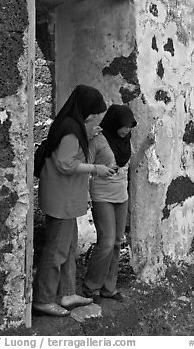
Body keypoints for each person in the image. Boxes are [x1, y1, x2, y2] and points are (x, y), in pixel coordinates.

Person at [33, 84, 115, 317]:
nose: (96, 119)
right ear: (86, 111)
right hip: (61, 197)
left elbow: (73, 153)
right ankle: (43, 298)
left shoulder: (75, 126)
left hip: (66, 196)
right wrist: (95, 168)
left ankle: (66, 293)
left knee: (68, 247)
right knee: (56, 250)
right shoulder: (71, 130)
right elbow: (65, 163)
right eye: (95, 115)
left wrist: (89, 134)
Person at [82, 104, 137, 303]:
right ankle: (91, 286)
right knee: (106, 242)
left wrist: (147, 145)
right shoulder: (98, 140)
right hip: (102, 195)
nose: (127, 130)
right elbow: (85, 166)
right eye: (124, 126)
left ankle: (109, 288)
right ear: (114, 122)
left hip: (121, 195)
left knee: (116, 242)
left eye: (130, 126)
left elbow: (132, 165)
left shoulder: (126, 141)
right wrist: (88, 191)